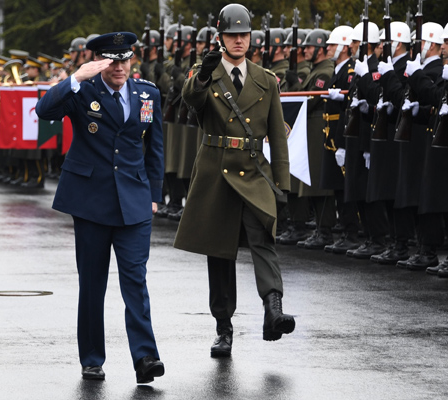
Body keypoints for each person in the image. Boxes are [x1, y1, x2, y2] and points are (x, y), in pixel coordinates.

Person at [34, 32, 165, 384]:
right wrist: (75, 78)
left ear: (132, 60)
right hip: (91, 200)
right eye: (111, 60)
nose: (119, 66)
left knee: (135, 281)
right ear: (98, 61)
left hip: (135, 201)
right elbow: (44, 110)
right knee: (92, 284)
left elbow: (154, 148)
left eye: (125, 59)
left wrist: (154, 194)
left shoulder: (147, 93)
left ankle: (146, 356)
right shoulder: (83, 92)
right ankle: (92, 358)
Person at [173, 3, 292, 358]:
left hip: (255, 171)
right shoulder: (205, 73)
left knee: (263, 238)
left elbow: (278, 135)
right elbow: (190, 100)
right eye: (232, 35)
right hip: (217, 172)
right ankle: (223, 329)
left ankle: (273, 310)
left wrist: (282, 184)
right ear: (221, 38)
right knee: (220, 252)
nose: (239, 40)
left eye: (243, 35)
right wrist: (204, 75)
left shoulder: (265, 79)